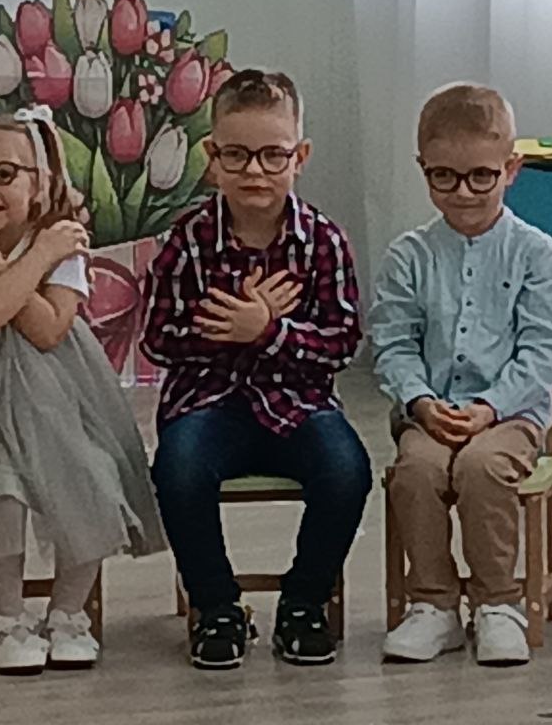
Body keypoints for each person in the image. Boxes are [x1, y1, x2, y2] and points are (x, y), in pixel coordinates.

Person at [0, 105, 165, 676]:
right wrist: (28, 260)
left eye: (4, 174)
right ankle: (9, 620)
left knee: (91, 477)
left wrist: (10, 261)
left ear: (37, 183)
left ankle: (68, 614)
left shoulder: (60, 246)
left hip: (63, 401)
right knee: (1, 487)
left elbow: (47, 330)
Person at [143, 69, 370, 670]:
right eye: (237, 155)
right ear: (212, 157)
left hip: (301, 405)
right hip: (206, 404)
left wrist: (268, 330)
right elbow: (158, 338)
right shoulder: (187, 241)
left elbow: (342, 343)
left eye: (273, 155)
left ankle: (304, 602)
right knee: (177, 471)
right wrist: (230, 327)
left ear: (300, 156)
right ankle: (217, 606)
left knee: (347, 471)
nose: (255, 172)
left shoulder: (323, 241)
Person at [371, 82, 552, 667]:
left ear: (511, 169)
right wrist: (420, 401)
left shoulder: (537, 254)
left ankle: (499, 603)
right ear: (423, 169)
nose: (463, 192)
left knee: (482, 468)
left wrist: (491, 407)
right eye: (445, 177)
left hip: (510, 416)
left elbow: (545, 351)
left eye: (481, 176)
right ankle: (432, 604)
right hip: (429, 413)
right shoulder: (408, 255)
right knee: (416, 471)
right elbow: (392, 343)